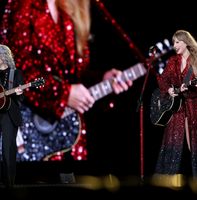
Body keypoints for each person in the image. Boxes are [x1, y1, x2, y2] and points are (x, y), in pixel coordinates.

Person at [0, 0, 133, 160]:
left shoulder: (71, 7)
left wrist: (102, 80)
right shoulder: (22, 5)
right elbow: (15, 70)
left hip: (67, 141)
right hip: (26, 136)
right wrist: (64, 93)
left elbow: (74, 77)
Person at [153, 30, 197, 182]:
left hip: (195, 108)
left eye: (177, 42)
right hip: (176, 111)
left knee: (195, 147)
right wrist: (169, 89)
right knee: (172, 147)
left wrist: (192, 88)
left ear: (186, 42)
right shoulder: (173, 61)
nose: (174, 46)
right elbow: (162, 80)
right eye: (173, 43)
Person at [0, 44, 24, 187]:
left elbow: (21, 99)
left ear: (3, 57)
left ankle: (9, 183)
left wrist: (20, 93)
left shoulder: (15, 74)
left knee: (8, 149)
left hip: (9, 114)